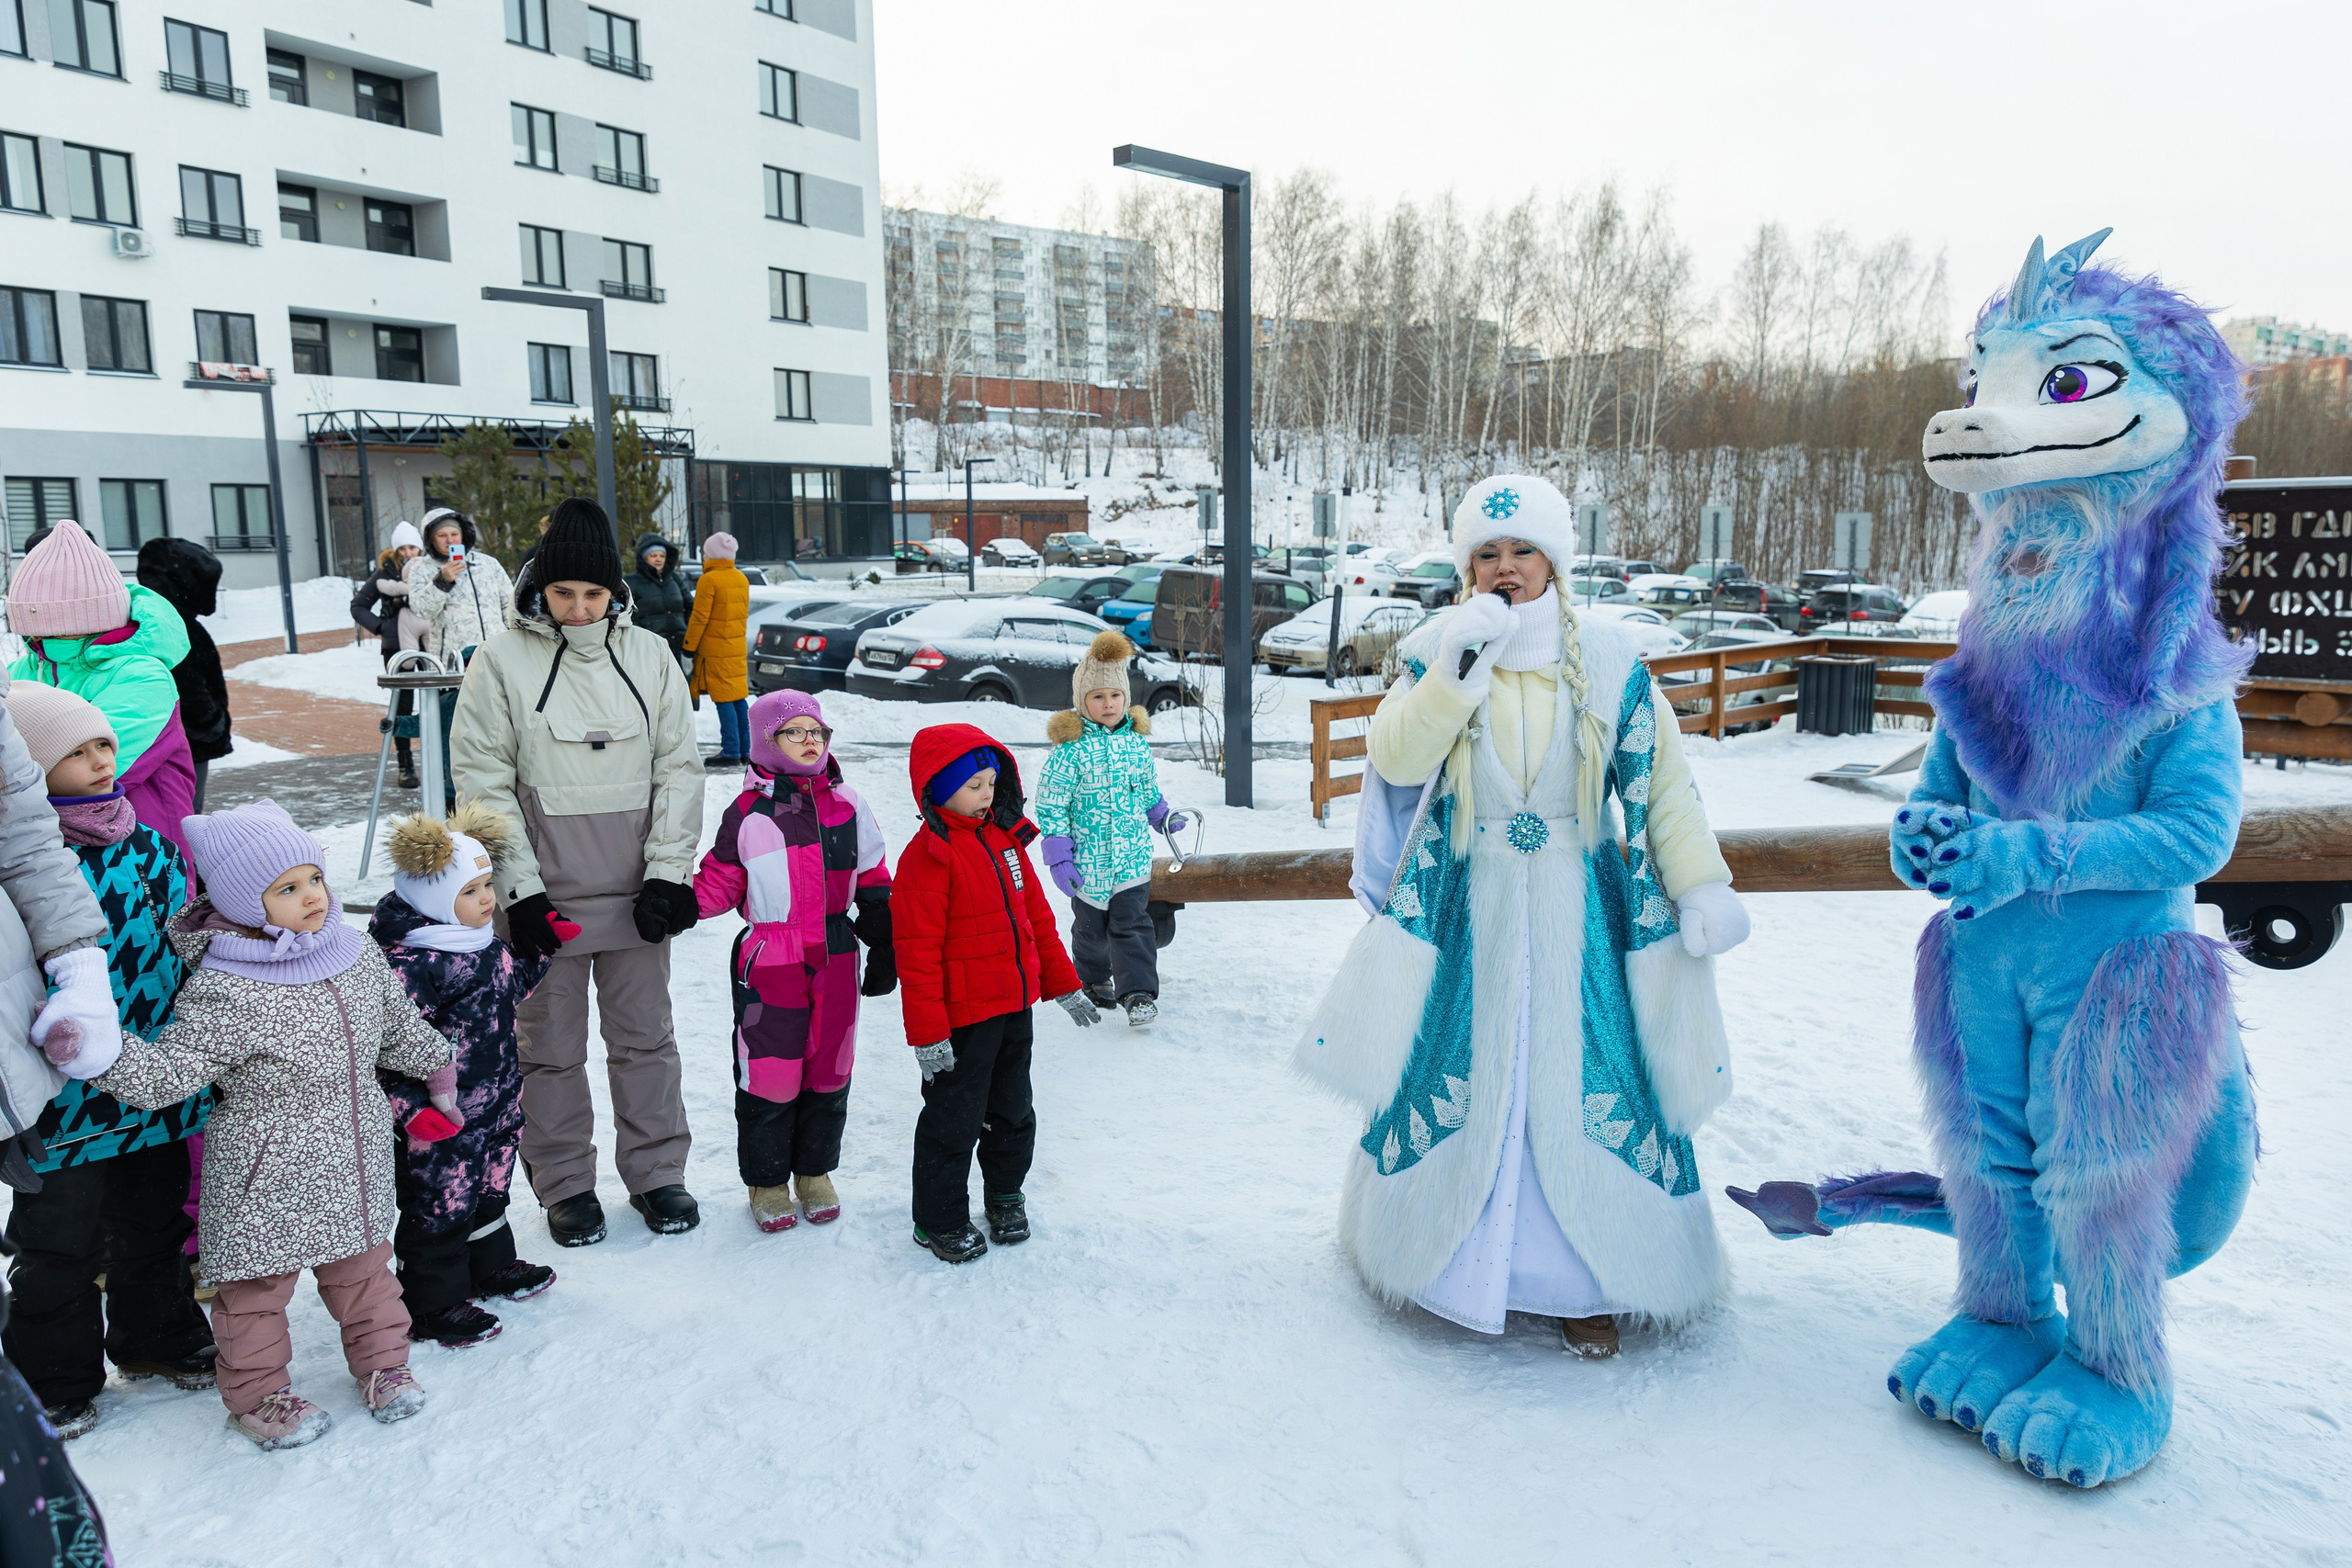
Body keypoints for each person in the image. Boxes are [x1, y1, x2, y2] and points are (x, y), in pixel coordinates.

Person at [1293, 475, 1748, 1359]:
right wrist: (1456, 671)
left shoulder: (1614, 660)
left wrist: (1701, 885)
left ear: (1554, 561)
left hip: (1584, 909)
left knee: (1587, 1075)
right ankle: (1451, 1265)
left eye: (1522, 551)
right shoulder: (1436, 647)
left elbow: (1662, 790)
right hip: (1475, 907)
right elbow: (1393, 756)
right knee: (1467, 1067)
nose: (1505, 569)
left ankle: (1592, 1284)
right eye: (1487, 555)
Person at [51, 799, 453, 1450]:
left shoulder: (353, 952)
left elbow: (397, 1026)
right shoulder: (227, 988)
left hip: (353, 1160)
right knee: (255, 1294)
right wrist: (100, 1052)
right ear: (244, 902)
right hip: (264, 1174)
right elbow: (169, 1073)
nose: (312, 896)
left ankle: (384, 1365)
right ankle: (258, 1395)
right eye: (286, 889)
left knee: (366, 1272)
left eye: (314, 878)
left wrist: (439, 1069)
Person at [450, 498, 706, 1245]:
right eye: (564, 593)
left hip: (634, 898)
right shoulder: (501, 661)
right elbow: (484, 779)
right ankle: (566, 1184)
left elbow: (678, 771)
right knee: (548, 1050)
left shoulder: (650, 657)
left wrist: (667, 874)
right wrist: (520, 892)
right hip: (545, 899)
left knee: (645, 1041)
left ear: (614, 592)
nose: (579, 608)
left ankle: (659, 1174)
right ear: (540, 588)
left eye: (593, 594)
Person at [0, 684, 213, 1442]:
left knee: (153, 1216)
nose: (98, 762)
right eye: (74, 752)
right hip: (65, 1092)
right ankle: (53, 1375)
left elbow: (185, 938)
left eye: (103, 747)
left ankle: (153, 1333)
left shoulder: (148, 844)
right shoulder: (28, 862)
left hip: (152, 1072)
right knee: (60, 1238)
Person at [893, 725, 1099, 1265]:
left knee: (1012, 1111)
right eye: (973, 785)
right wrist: (929, 1035)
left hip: (1013, 1010)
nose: (987, 794)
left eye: (991, 782)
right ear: (937, 791)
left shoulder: (1006, 841)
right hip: (960, 1020)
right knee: (953, 1120)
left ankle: (1005, 1194)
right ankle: (937, 1218)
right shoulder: (926, 859)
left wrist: (1064, 985)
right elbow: (916, 956)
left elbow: (1037, 918)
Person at [692, 691, 894, 1234]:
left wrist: (882, 929)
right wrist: (679, 902)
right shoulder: (748, 813)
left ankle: (814, 1172)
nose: (810, 741)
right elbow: (722, 878)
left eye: (817, 732)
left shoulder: (848, 803)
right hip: (772, 957)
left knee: (830, 1068)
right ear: (766, 741)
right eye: (794, 732)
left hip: (836, 951)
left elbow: (872, 871)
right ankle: (766, 1181)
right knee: (770, 1073)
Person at [371, 803, 560, 1347]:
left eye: (487, 886)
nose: (488, 900)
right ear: (433, 898)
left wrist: (540, 951)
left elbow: (509, 986)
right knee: (440, 1203)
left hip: (497, 1096)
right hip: (441, 1114)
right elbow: (392, 1048)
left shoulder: (479, 943)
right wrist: (414, 1110)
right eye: (472, 891)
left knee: (489, 1188)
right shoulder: (412, 962)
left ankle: (489, 1267)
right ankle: (433, 1302)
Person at [6, 521, 197, 858]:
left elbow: (93, 770)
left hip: (144, 857)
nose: (37, 633)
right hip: (58, 855)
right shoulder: (26, 669)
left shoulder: (141, 674)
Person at [1035, 630, 1187, 1027]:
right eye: (1098, 697)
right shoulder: (1069, 751)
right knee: (1090, 932)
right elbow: (1052, 804)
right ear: (1082, 701)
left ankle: (1138, 993)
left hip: (1131, 858)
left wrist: (1161, 815)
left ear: (1126, 699)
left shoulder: (1136, 745)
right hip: (1089, 864)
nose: (1108, 704)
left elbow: (1147, 788)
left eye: (1115, 696)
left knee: (1133, 925)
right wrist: (1058, 856)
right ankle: (1092, 978)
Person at [405, 507, 516, 807]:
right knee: (459, 734)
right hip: (454, 667)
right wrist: (443, 580)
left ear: (464, 534)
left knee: (500, 729)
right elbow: (422, 610)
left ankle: (503, 789)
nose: (449, 539)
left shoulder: (487, 564)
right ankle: (454, 797)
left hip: (497, 659)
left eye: (454, 533)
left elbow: (511, 603)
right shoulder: (422, 568)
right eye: (442, 535)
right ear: (431, 539)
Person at [135, 537, 232, 814]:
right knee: (185, 817)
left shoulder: (160, 619)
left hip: (179, 739)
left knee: (180, 812)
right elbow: (188, 685)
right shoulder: (176, 626)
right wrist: (209, 723)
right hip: (187, 743)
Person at [352, 523, 428, 790]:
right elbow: (359, 605)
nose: (408, 552)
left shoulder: (429, 568)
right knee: (403, 706)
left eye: (412, 546)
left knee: (440, 702)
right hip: (397, 648)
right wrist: (382, 627)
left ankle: (441, 761)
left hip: (432, 644)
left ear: (420, 546)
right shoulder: (386, 574)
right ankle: (406, 765)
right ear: (395, 550)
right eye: (403, 548)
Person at [684, 533, 750, 769]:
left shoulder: (709, 580)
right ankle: (745, 750)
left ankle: (731, 751)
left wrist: (688, 648)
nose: (703, 556)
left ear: (711, 555)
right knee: (739, 700)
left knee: (723, 701)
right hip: (736, 648)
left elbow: (699, 618)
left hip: (716, 650)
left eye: (705, 552)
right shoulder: (741, 578)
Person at [625, 533, 694, 665]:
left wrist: (686, 629)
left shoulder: (675, 579)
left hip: (679, 647)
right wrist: (643, 635)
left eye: (662, 556)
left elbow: (691, 606)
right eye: (653, 555)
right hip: (650, 649)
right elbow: (626, 614)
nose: (658, 559)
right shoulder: (632, 582)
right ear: (644, 557)